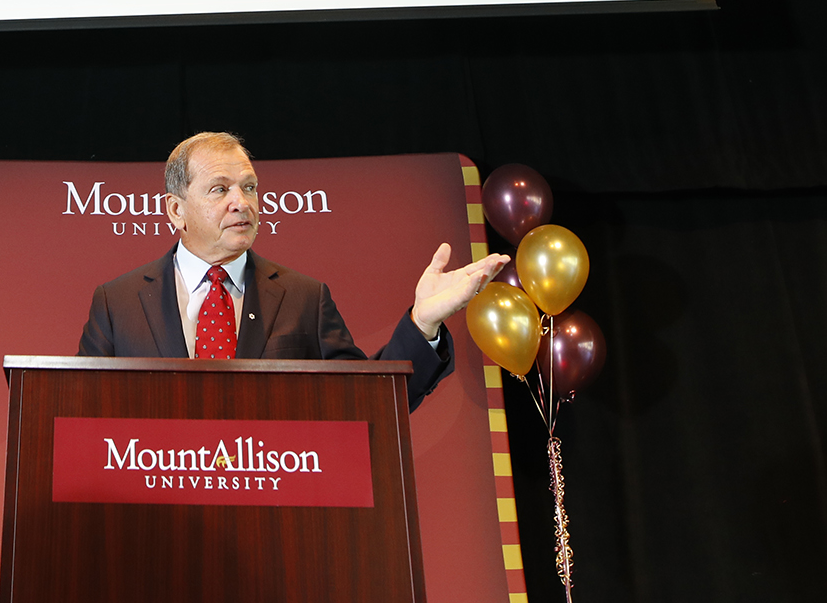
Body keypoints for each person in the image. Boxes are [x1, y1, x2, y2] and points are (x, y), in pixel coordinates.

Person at [77, 132, 510, 410]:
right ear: (176, 210)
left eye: (249, 187)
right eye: (219, 189)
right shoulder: (118, 303)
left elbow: (365, 405)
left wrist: (423, 323)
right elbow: (78, 417)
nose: (240, 202)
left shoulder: (305, 297)